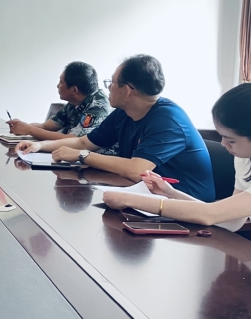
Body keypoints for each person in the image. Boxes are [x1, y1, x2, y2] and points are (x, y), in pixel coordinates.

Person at [16, 55, 215, 201]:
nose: (109, 87)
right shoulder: (123, 112)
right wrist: (40, 146)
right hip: (146, 196)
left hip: (186, 207)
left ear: (127, 90)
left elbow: (137, 170)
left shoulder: (168, 120)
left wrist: (82, 156)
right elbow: (84, 142)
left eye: (111, 82)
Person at [103, 82, 251, 230]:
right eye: (222, 137)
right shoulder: (244, 158)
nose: (223, 144)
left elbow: (210, 215)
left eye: (231, 140)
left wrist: (132, 200)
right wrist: (171, 193)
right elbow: (231, 221)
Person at [6, 61, 112, 141]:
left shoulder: (98, 107)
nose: (57, 86)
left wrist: (29, 130)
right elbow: (46, 127)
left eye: (61, 82)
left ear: (74, 90)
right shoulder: (74, 102)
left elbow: (74, 140)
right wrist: (22, 126)